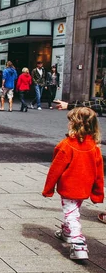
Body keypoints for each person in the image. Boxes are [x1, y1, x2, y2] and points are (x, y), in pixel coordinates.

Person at [42, 107, 104, 260]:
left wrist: (48, 189)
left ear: (74, 125)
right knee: (73, 210)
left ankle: (79, 244)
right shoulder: (94, 148)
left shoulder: (66, 145)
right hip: (85, 187)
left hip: (69, 187)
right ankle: (67, 232)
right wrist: (97, 193)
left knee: (72, 214)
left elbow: (55, 170)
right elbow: (99, 174)